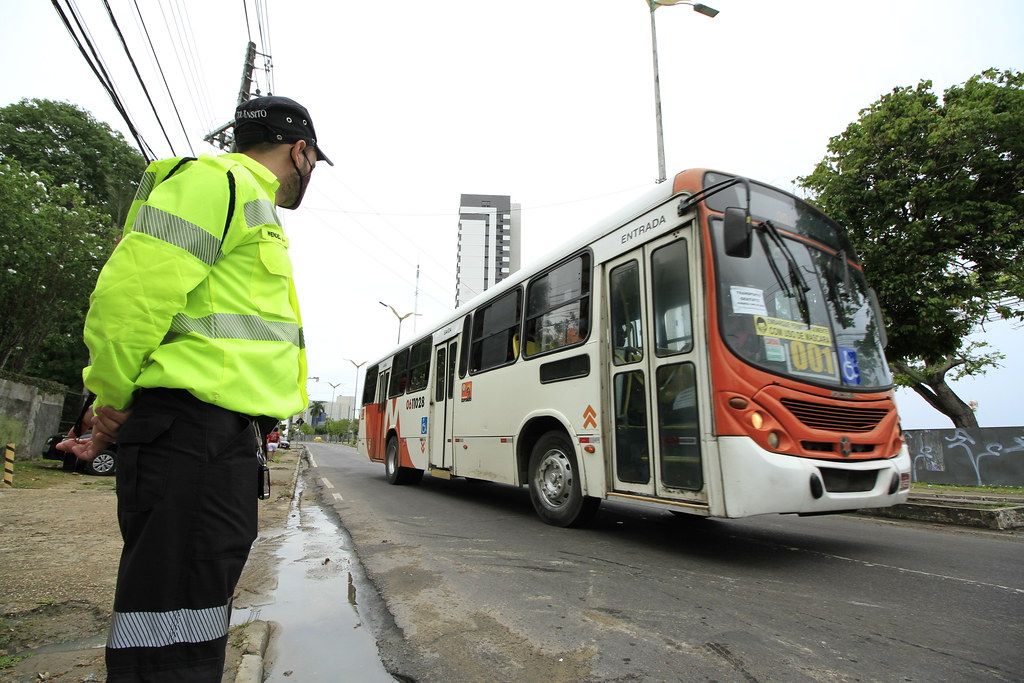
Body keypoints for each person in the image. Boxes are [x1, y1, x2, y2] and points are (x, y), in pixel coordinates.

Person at [56, 95, 331, 681]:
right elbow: (130, 298)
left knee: (191, 614)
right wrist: (111, 399)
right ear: (301, 151)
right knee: (170, 624)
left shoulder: (252, 205)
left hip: (213, 442)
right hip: (193, 436)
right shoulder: (217, 183)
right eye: (313, 162)